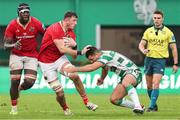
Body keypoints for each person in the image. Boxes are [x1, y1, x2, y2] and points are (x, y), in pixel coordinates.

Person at [38, 11, 98, 115]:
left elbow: (73, 57)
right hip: (46, 62)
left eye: (76, 21)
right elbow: (62, 49)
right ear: (66, 20)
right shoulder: (55, 28)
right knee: (60, 94)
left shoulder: (71, 33)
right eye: (74, 20)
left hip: (59, 59)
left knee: (74, 75)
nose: (76, 23)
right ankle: (66, 109)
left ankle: (87, 102)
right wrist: (80, 52)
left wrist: (75, 46)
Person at [64, 46, 145, 115]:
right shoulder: (103, 55)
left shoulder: (104, 56)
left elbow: (91, 67)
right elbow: (105, 68)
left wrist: (74, 69)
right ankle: (138, 106)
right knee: (114, 99)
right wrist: (102, 78)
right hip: (126, 75)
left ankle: (138, 107)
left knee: (126, 82)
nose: (92, 62)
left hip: (134, 72)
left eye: (91, 59)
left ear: (95, 54)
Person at [3, 3, 46, 115]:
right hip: (16, 55)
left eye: (27, 12)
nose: (26, 14)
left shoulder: (36, 23)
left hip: (32, 56)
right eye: (23, 12)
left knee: (30, 82)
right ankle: (14, 107)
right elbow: (5, 46)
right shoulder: (12, 25)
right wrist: (13, 45)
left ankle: (19, 89)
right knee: (14, 81)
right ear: (19, 13)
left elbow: (47, 34)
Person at [138, 10, 178, 112]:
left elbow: (173, 48)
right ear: (153, 19)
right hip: (149, 59)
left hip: (160, 61)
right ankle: (154, 105)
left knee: (156, 83)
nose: (156, 20)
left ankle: (151, 107)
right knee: (148, 85)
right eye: (155, 18)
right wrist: (143, 50)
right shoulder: (148, 31)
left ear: (162, 19)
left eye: (158, 18)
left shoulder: (168, 32)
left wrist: (175, 63)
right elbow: (141, 44)